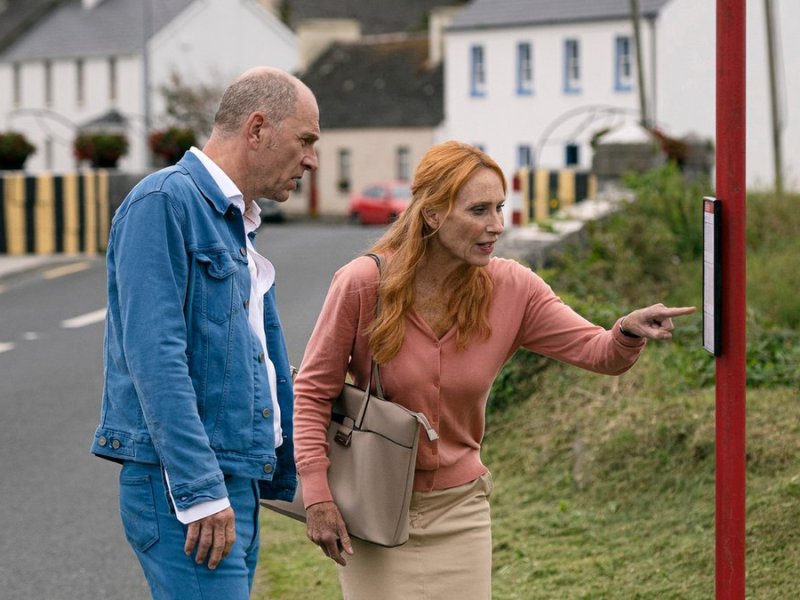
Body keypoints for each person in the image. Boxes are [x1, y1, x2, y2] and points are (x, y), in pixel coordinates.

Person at [292, 140, 695, 599]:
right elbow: (312, 393)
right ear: (433, 214)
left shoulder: (514, 288)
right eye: (479, 210)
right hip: (374, 506)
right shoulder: (363, 283)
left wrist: (627, 329)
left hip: (459, 511)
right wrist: (318, 495)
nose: (497, 226)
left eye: (501, 208)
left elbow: (598, 351)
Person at [90, 66, 319, 599]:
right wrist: (200, 492)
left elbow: (244, 357)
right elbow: (156, 358)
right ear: (257, 128)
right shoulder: (164, 203)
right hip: (186, 487)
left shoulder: (233, 220)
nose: (311, 160)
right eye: (305, 140)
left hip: (230, 477)